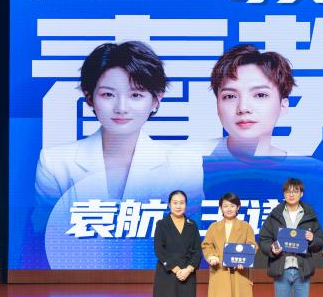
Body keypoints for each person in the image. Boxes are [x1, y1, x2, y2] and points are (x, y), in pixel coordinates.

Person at [34, 41, 203, 269]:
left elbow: (187, 243)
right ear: (90, 98)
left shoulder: (185, 165)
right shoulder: (55, 163)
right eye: (108, 94)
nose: (121, 107)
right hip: (77, 280)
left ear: (156, 99)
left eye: (136, 95)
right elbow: (45, 238)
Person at [202, 44, 323, 224]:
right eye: (230, 96)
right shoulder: (192, 163)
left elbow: (319, 234)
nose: (243, 108)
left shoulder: (310, 171)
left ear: (283, 105)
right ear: (217, 105)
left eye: (260, 95)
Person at [258, 178, 323, 297]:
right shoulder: (275, 215)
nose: (291, 194)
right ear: (284, 194)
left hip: (302, 269)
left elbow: (320, 240)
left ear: (301, 194)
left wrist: (313, 239)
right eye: (288, 191)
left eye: (295, 191)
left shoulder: (309, 214)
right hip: (282, 269)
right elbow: (264, 240)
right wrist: (272, 248)